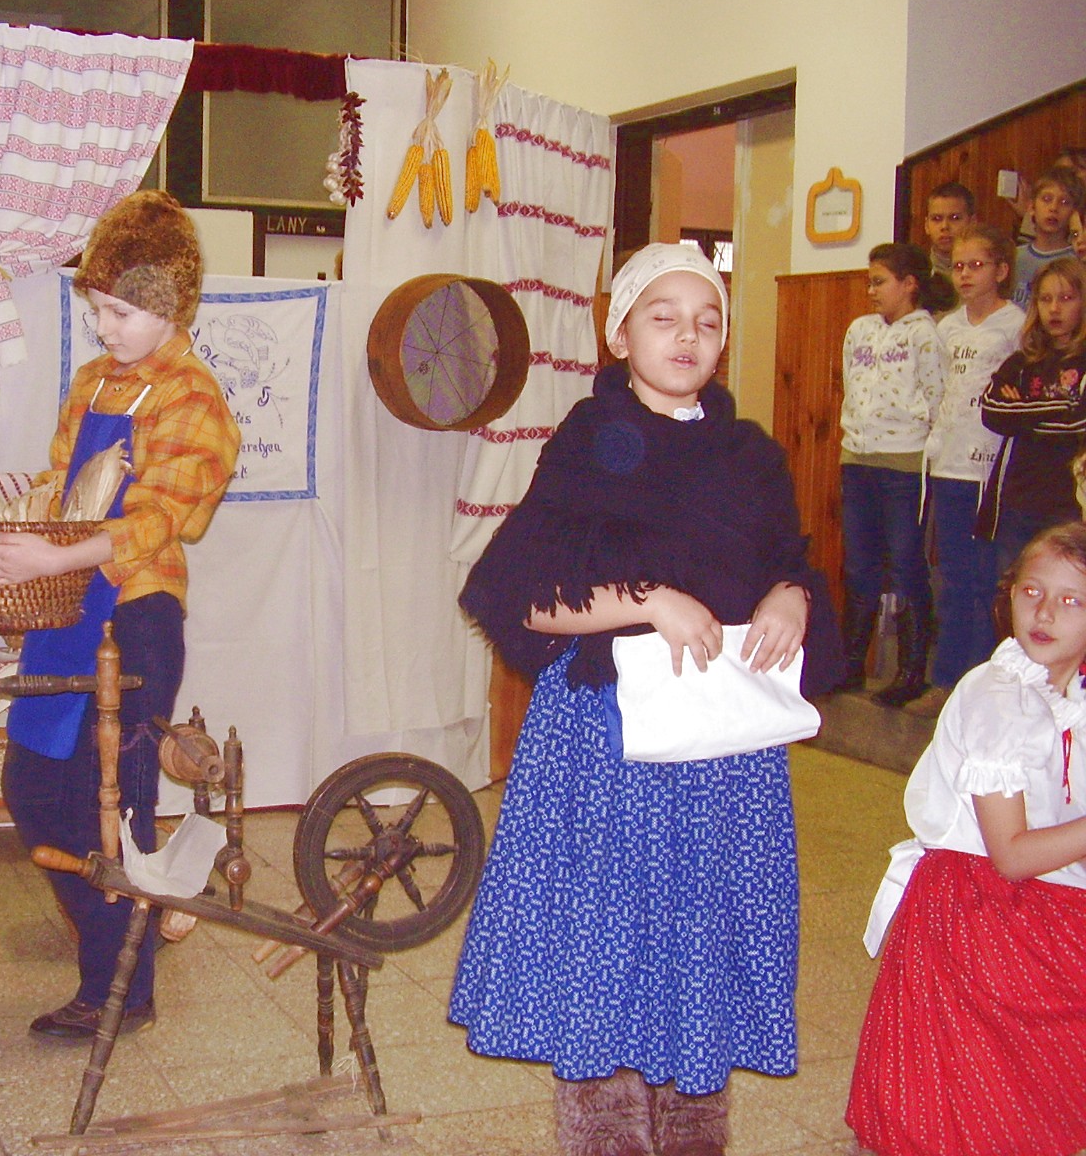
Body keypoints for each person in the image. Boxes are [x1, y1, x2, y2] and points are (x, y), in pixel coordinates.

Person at [449, 243, 841, 1156]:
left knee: (701, 939)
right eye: (663, 318)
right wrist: (648, 600)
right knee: (607, 940)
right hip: (606, 740)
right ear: (620, 334)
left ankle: (695, 1129)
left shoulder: (750, 456)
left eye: (707, 322)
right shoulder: (587, 442)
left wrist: (794, 594)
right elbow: (522, 595)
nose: (687, 336)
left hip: (722, 750)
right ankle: (604, 1134)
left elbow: (785, 559)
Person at [0, 190, 241, 1042]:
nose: (105, 328)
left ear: (172, 305)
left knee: (115, 804)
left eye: (122, 312)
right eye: (97, 309)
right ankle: (122, 936)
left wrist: (55, 559)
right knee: (30, 786)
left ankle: (120, 988)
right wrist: (15, 528)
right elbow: (64, 486)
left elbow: (164, 518)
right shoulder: (93, 383)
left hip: (136, 618)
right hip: (66, 613)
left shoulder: (194, 397)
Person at [846, 522, 1086, 1156]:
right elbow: (1011, 856)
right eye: (1032, 591)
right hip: (981, 909)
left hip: (1044, 898)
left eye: (1071, 600)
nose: (1044, 613)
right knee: (970, 1107)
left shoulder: (1066, 693)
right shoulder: (998, 697)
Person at [914, 225, 1026, 716]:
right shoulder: (948, 328)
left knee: (986, 581)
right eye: (959, 266)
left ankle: (982, 688)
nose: (964, 275)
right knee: (953, 579)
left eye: (976, 265)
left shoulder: (1015, 325)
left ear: (1001, 271)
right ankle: (947, 681)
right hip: (949, 465)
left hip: (989, 472)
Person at [837, 243, 952, 707]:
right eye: (870, 281)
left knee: (906, 563)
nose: (872, 290)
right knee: (859, 564)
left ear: (909, 284)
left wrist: (926, 450)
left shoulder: (925, 335)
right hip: (857, 460)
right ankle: (851, 663)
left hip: (902, 465)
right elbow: (850, 385)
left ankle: (911, 670)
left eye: (880, 281)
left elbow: (938, 397)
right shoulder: (859, 330)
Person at [978, 256, 1086, 573]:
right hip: (1018, 501)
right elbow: (992, 412)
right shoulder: (1022, 362)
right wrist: (1062, 404)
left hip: (1070, 504)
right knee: (1013, 586)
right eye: (1045, 299)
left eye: (1066, 298)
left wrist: (1022, 410)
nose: (1054, 309)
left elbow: (1078, 422)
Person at [1011, 166, 1083, 311]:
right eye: (1046, 199)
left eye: (1064, 202)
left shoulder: (1077, 261)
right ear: (1031, 207)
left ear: (1074, 212)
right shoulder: (1013, 257)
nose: (1053, 208)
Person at [922, 180, 976, 279]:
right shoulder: (916, 276)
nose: (945, 226)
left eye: (955, 218)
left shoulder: (986, 276)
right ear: (926, 225)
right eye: (936, 219)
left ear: (972, 223)